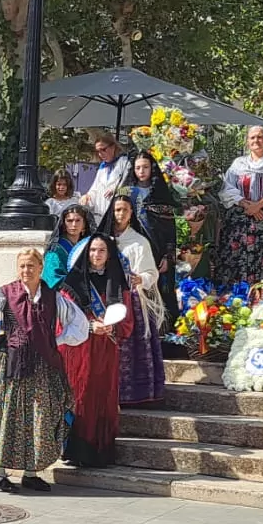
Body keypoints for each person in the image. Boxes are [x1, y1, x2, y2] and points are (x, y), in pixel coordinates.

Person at [0, 247, 90, 491]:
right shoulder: (4, 294)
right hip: (9, 364)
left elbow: (79, 323)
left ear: (41, 268)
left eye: (31, 265)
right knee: (6, 417)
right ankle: (0, 474)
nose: (25, 270)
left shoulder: (54, 297)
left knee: (39, 418)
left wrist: (57, 340)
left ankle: (31, 473)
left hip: (43, 367)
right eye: (21, 266)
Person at [59, 235, 129, 467]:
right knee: (82, 394)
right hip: (81, 348)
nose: (96, 255)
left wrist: (114, 326)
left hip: (107, 348)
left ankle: (102, 451)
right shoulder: (73, 283)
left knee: (104, 395)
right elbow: (63, 318)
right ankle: (78, 450)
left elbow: (128, 320)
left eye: (101, 250)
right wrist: (89, 326)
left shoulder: (117, 283)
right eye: (92, 250)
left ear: (109, 255)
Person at [210, 125, 263, 290]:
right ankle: (235, 291)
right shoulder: (238, 163)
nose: (256, 140)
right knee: (236, 255)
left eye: (260, 137)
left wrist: (259, 205)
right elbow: (228, 188)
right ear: (247, 141)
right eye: (252, 137)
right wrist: (246, 204)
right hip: (241, 215)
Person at [106, 194, 166, 405]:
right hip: (106, 300)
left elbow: (152, 273)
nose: (119, 214)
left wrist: (142, 278)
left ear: (131, 214)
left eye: (124, 210)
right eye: (116, 210)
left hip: (132, 301)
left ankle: (134, 395)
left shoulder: (139, 242)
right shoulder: (103, 239)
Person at [127, 151, 183, 324]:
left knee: (161, 289)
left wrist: (168, 256)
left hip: (158, 250)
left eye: (145, 167)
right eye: (138, 168)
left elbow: (169, 228)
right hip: (132, 249)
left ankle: (164, 330)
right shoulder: (126, 192)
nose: (141, 171)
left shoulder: (160, 192)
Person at [42, 205, 97, 290]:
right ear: (64, 224)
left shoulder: (90, 247)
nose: (74, 224)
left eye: (78, 220)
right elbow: (53, 279)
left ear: (84, 224)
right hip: (64, 296)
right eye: (69, 221)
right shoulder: (55, 250)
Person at [78, 133, 134, 213]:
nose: (100, 154)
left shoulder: (125, 163)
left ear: (113, 147)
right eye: (98, 151)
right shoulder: (102, 167)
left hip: (117, 212)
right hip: (100, 213)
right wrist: (87, 197)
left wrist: (117, 190)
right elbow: (94, 190)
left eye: (103, 150)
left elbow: (129, 186)